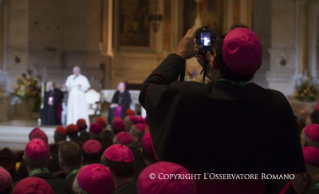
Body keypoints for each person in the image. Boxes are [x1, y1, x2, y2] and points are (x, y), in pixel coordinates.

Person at [138, 26, 305, 193]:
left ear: (216, 61)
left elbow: (148, 92)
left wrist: (179, 55)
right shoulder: (275, 102)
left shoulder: (187, 95)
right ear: (257, 65)